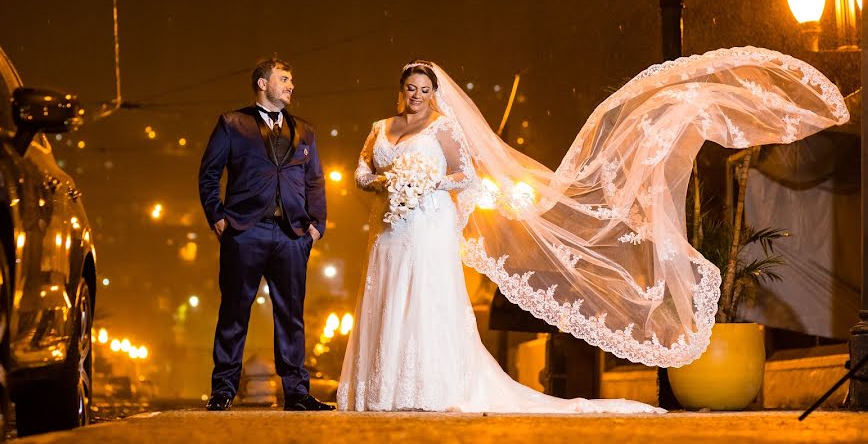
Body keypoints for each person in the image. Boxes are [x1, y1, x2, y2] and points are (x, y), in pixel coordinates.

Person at [338, 51, 848, 412]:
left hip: (427, 227)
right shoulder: (382, 128)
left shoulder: (444, 129)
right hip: (390, 230)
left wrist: (423, 183)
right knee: (386, 299)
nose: (417, 97)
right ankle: (381, 388)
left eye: (425, 90)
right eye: (411, 89)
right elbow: (362, 172)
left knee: (425, 300)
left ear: (434, 94)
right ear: (400, 91)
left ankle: (428, 388)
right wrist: (387, 180)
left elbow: (466, 175)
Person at [199, 58, 332, 412]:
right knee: (234, 311)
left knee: (291, 314)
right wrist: (218, 218)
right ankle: (223, 389)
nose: (291, 86)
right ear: (262, 83)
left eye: (291, 79)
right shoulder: (232, 123)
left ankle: (297, 392)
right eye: (284, 79)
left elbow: (315, 180)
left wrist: (315, 226)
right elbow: (209, 175)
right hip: (244, 231)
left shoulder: (305, 131)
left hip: (292, 234)